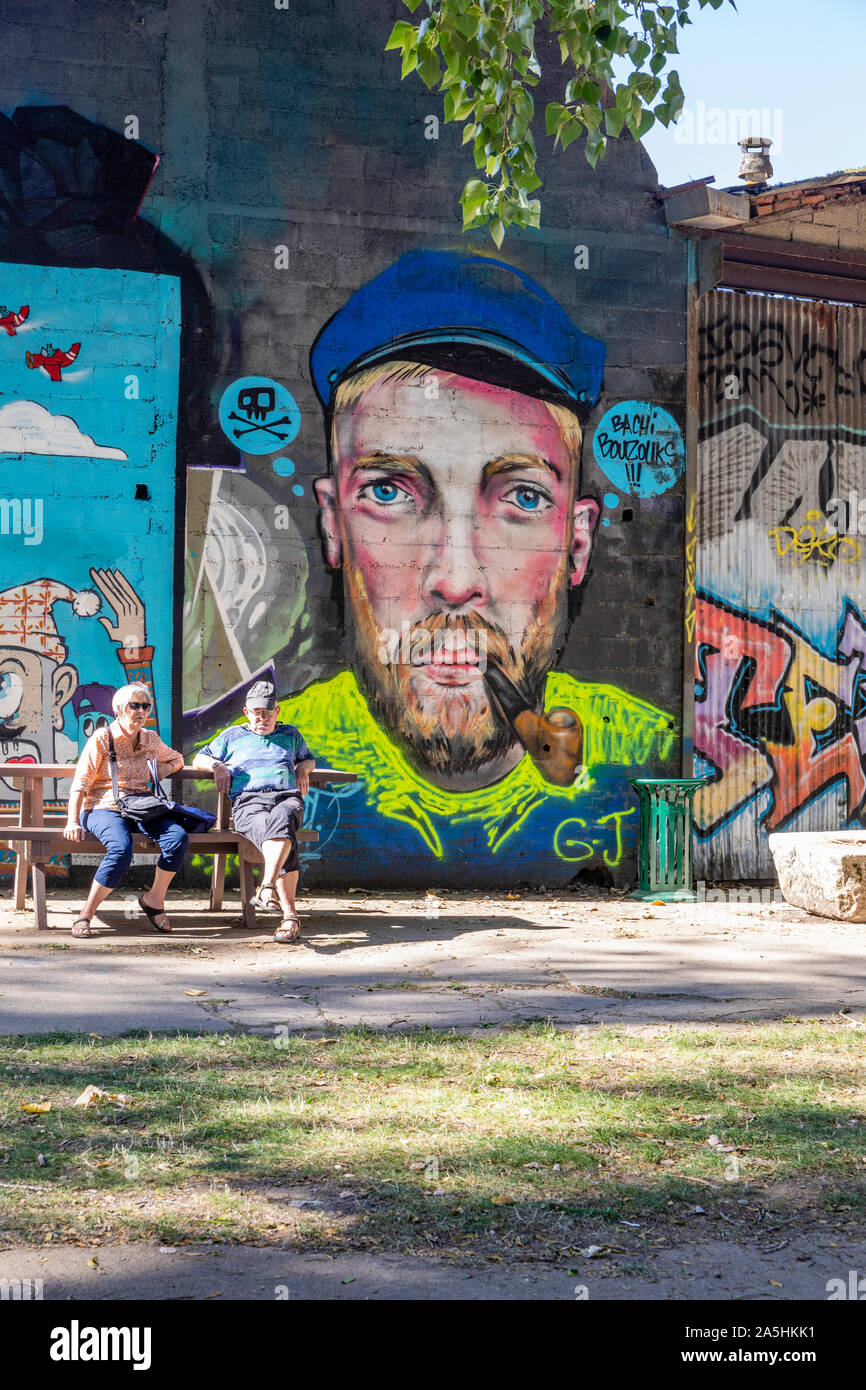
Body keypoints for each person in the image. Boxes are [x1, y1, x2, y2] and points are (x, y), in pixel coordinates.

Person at [270, 249, 675, 886]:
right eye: (388, 493)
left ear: (578, 543)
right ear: (331, 526)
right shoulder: (274, 752)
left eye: (521, 498)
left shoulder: (651, 755)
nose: (456, 581)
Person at [193, 680, 315, 943]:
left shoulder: (291, 735)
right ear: (247, 712)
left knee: (283, 819)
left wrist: (304, 768)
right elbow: (199, 758)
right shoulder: (231, 736)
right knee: (284, 834)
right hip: (249, 802)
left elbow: (308, 757)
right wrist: (218, 766)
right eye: (257, 712)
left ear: (277, 712)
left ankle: (267, 888)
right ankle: (289, 916)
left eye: (268, 712)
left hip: (286, 797)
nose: (263, 718)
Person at [63, 682, 188, 937]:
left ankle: (154, 900)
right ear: (119, 709)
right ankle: (85, 915)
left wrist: (163, 770)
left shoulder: (151, 738)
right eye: (135, 705)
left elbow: (177, 758)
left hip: (140, 806)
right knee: (121, 849)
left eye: (146, 706)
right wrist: (72, 821)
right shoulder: (102, 738)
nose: (141, 711)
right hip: (102, 807)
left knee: (177, 837)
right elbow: (80, 784)